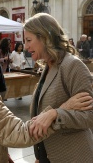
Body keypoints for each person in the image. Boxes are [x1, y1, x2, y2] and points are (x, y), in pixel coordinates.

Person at [24, 13, 93, 163]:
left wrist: (56, 113)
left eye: (29, 40)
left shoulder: (72, 65)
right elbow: (40, 114)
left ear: (44, 37)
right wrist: (39, 154)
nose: (26, 46)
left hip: (73, 156)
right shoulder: (48, 67)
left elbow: (89, 116)